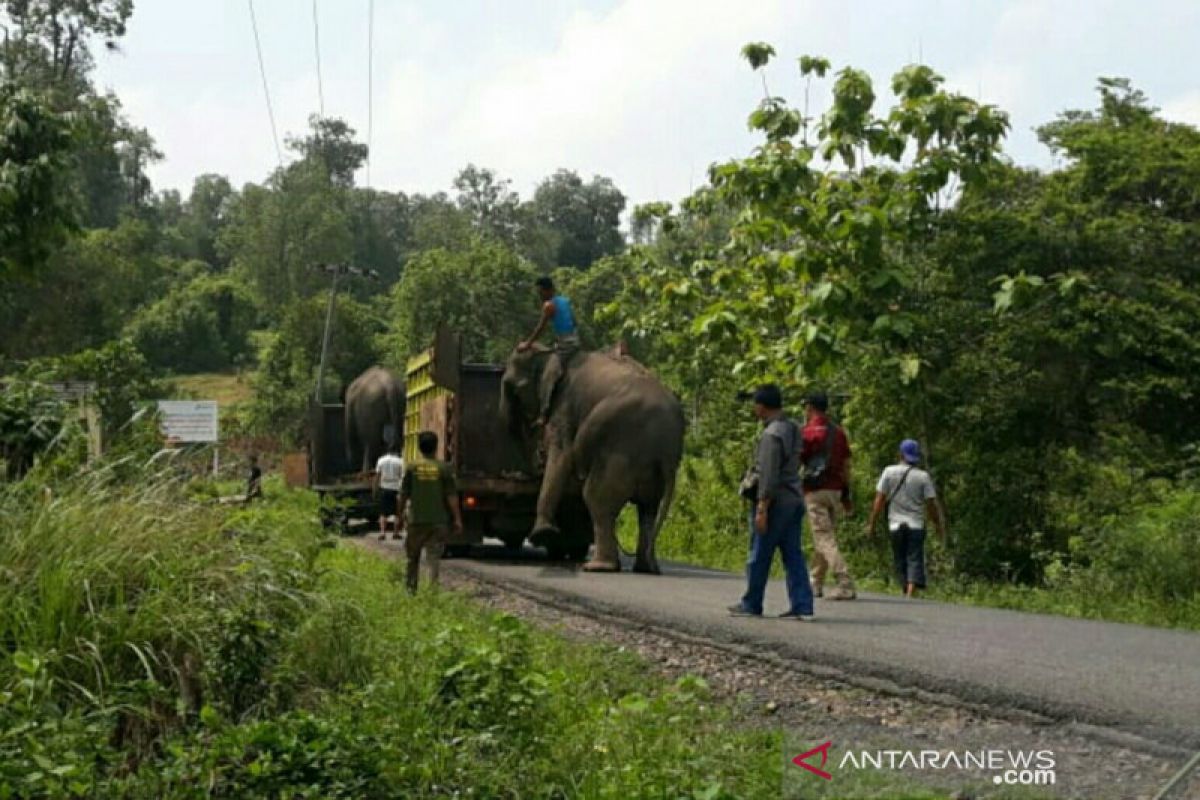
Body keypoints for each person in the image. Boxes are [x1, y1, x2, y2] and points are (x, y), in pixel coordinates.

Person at [728, 384, 815, 620]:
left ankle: (752, 603)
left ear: (761, 407)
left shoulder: (771, 435)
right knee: (793, 554)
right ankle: (802, 604)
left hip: (776, 502)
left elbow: (768, 475)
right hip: (795, 498)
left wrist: (762, 508)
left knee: (759, 553)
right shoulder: (793, 428)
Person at [867, 439, 947, 598]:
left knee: (900, 558)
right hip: (916, 524)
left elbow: (879, 500)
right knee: (914, 557)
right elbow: (931, 504)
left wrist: (872, 523)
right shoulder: (923, 476)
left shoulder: (888, 472)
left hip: (895, 525)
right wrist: (937, 525)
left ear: (900, 454)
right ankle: (910, 592)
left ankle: (907, 591)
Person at [800, 392, 856, 600]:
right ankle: (815, 582)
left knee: (823, 538)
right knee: (823, 537)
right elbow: (846, 466)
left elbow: (798, 460)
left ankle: (844, 582)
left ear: (810, 408)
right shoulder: (838, 432)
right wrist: (846, 495)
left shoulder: (807, 432)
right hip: (835, 491)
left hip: (814, 491)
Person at [398, 431, 463, 594]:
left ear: (419, 447)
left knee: (412, 558)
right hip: (438, 521)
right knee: (433, 557)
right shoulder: (444, 468)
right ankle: (432, 592)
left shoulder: (412, 467)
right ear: (436, 447)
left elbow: (403, 494)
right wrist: (457, 519)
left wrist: (399, 515)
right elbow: (451, 496)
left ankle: (410, 590)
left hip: (416, 521)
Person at [517, 276, 580, 425]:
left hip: (566, 346)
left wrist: (527, 344)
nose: (540, 296)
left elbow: (541, 328)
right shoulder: (565, 301)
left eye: (541, 292)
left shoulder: (548, 306)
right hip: (574, 341)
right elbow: (575, 322)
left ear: (548, 290)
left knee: (548, 376)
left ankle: (543, 414)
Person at [374, 445, 405, 541]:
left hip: (384, 488)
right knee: (397, 513)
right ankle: (395, 533)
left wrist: (375, 489)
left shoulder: (381, 460)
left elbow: (377, 476)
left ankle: (382, 533)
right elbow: (402, 477)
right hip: (396, 489)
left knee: (383, 513)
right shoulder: (400, 461)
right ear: (396, 451)